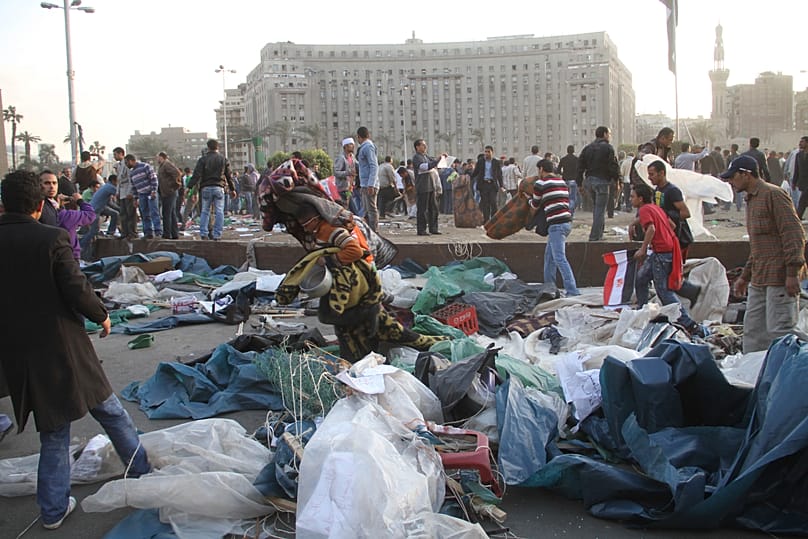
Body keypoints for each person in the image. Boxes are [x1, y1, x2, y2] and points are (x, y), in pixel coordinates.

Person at [0, 170, 150, 529]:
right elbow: (75, 286)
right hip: (62, 345)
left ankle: (53, 509)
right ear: (40, 205)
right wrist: (102, 316)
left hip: (17, 350)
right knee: (108, 409)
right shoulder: (51, 239)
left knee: (55, 426)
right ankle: (141, 468)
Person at [258, 158, 444, 361]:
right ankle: (364, 357)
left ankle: (367, 359)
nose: (304, 228)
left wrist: (330, 261)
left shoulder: (332, 230)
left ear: (315, 218)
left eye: (306, 223)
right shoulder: (322, 230)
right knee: (360, 330)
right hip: (359, 295)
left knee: (365, 329)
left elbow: (355, 251)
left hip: (361, 291)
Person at [721, 155, 806, 353]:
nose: (731, 182)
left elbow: (793, 233)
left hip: (780, 275)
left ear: (746, 175)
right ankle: (754, 372)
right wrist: (744, 277)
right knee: (754, 331)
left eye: (733, 177)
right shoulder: (751, 200)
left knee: (781, 330)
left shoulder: (773, 195)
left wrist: (792, 272)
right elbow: (758, 246)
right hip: (760, 276)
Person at [630, 182, 701, 335]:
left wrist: (643, 249)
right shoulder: (655, 208)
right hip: (666, 250)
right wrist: (634, 224)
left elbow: (652, 228)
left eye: (632, 196)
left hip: (661, 253)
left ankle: (688, 323)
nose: (630, 199)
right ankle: (643, 310)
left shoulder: (644, 210)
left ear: (641, 199)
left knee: (663, 290)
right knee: (641, 278)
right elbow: (671, 225)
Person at [646, 160, 702, 306]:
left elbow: (685, 213)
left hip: (678, 238)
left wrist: (665, 217)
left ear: (662, 173)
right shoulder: (658, 190)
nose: (649, 178)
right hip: (665, 239)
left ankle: (691, 293)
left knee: (671, 276)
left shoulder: (672, 191)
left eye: (652, 174)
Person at [528, 159, 580, 296]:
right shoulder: (561, 182)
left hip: (556, 224)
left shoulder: (541, 183)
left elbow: (535, 205)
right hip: (566, 223)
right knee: (549, 257)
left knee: (559, 258)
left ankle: (572, 290)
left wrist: (527, 208)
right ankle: (549, 287)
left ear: (541, 169)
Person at [187, 139, 236, 241]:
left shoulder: (202, 160)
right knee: (219, 211)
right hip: (219, 187)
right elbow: (229, 176)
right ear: (218, 147)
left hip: (206, 187)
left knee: (205, 211)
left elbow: (197, 175)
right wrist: (232, 189)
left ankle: (204, 233)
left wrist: (189, 187)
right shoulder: (223, 159)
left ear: (208, 147)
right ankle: (217, 234)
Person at [578, 126, 619, 241]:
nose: (610, 136)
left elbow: (580, 166)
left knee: (597, 208)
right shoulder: (608, 148)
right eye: (609, 134)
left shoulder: (587, 148)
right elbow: (612, 166)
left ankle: (599, 233)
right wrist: (616, 180)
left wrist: (579, 183)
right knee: (600, 209)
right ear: (605, 134)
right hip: (602, 181)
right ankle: (595, 236)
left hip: (589, 181)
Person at [80, 175, 119, 260]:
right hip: (94, 211)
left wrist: (119, 209)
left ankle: (110, 232)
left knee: (115, 214)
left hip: (100, 208)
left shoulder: (105, 187)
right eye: (117, 181)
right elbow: (120, 193)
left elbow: (110, 203)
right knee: (94, 231)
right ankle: (81, 244)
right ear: (113, 181)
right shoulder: (110, 187)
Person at [125, 154, 162, 239]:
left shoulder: (145, 166)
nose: (126, 165)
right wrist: (135, 198)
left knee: (154, 212)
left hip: (150, 193)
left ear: (131, 161)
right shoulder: (132, 173)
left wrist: (153, 191)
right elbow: (134, 187)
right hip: (141, 194)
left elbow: (153, 179)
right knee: (144, 214)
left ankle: (158, 231)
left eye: (127, 163)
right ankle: (148, 232)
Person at [412, 139, 444, 235]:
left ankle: (433, 228)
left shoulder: (425, 156)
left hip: (431, 186)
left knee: (433, 208)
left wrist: (441, 159)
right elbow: (425, 167)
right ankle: (421, 230)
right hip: (422, 186)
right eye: (423, 145)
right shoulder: (417, 158)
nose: (425, 147)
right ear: (417, 147)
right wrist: (437, 160)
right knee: (422, 209)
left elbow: (433, 162)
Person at [471, 145, 504, 223]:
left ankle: (494, 220)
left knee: (493, 202)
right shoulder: (481, 161)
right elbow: (476, 172)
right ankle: (486, 220)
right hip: (483, 185)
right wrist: (469, 177)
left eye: (488, 152)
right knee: (485, 203)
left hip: (492, 185)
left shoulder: (496, 162)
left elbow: (499, 175)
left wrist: (501, 186)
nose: (486, 153)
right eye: (485, 152)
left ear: (492, 152)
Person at [355, 126, 379, 231]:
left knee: (371, 210)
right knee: (366, 210)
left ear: (358, 137)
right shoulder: (366, 147)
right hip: (365, 183)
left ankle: (374, 231)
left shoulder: (367, 147)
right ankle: (369, 231)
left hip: (369, 184)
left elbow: (373, 165)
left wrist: (371, 184)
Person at [156, 151, 182, 239]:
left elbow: (177, 173)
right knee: (171, 213)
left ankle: (167, 233)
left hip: (169, 192)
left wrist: (173, 185)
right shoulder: (162, 166)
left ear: (162, 157)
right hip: (166, 192)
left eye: (158, 157)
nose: (157, 159)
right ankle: (174, 234)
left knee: (166, 213)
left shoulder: (166, 164)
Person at [113, 147, 137, 240]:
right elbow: (119, 180)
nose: (115, 156)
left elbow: (130, 179)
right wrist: (117, 192)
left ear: (120, 154)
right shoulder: (118, 165)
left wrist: (130, 192)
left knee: (130, 213)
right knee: (123, 213)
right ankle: (124, 232)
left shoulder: (126, 164)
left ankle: (132, 232)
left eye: (115, 154)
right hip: (121, 191)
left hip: (127, 190)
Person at [332, 137, 358, 210]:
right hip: (343, 189)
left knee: (349, 208)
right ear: (345, 146)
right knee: (351, 209)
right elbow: (336, 172)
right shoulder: (341, 158)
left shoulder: (352, 157)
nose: (353, 146)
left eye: (353, 144)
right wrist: (348, 172)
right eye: (350, 144)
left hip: (349, 189)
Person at [558, 145, 579, 214]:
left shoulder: (563, 159)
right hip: (573, 180)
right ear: (573, 151)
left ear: (567, 151)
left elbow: (558, 170)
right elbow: (580, 170)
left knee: (565, 198)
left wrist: (562, 174)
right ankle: (571, 213)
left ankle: (565, 211)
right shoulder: (577, 159)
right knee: (572, 198)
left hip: (565, 180)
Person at [793, 137, 808, 218]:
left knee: (802, 201)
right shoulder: (799, 155)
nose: (800, 143)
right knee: (804, 201)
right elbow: (797, 169)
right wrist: (794, 182)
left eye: (802, 142)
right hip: (802, 182)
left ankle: (797, 218)